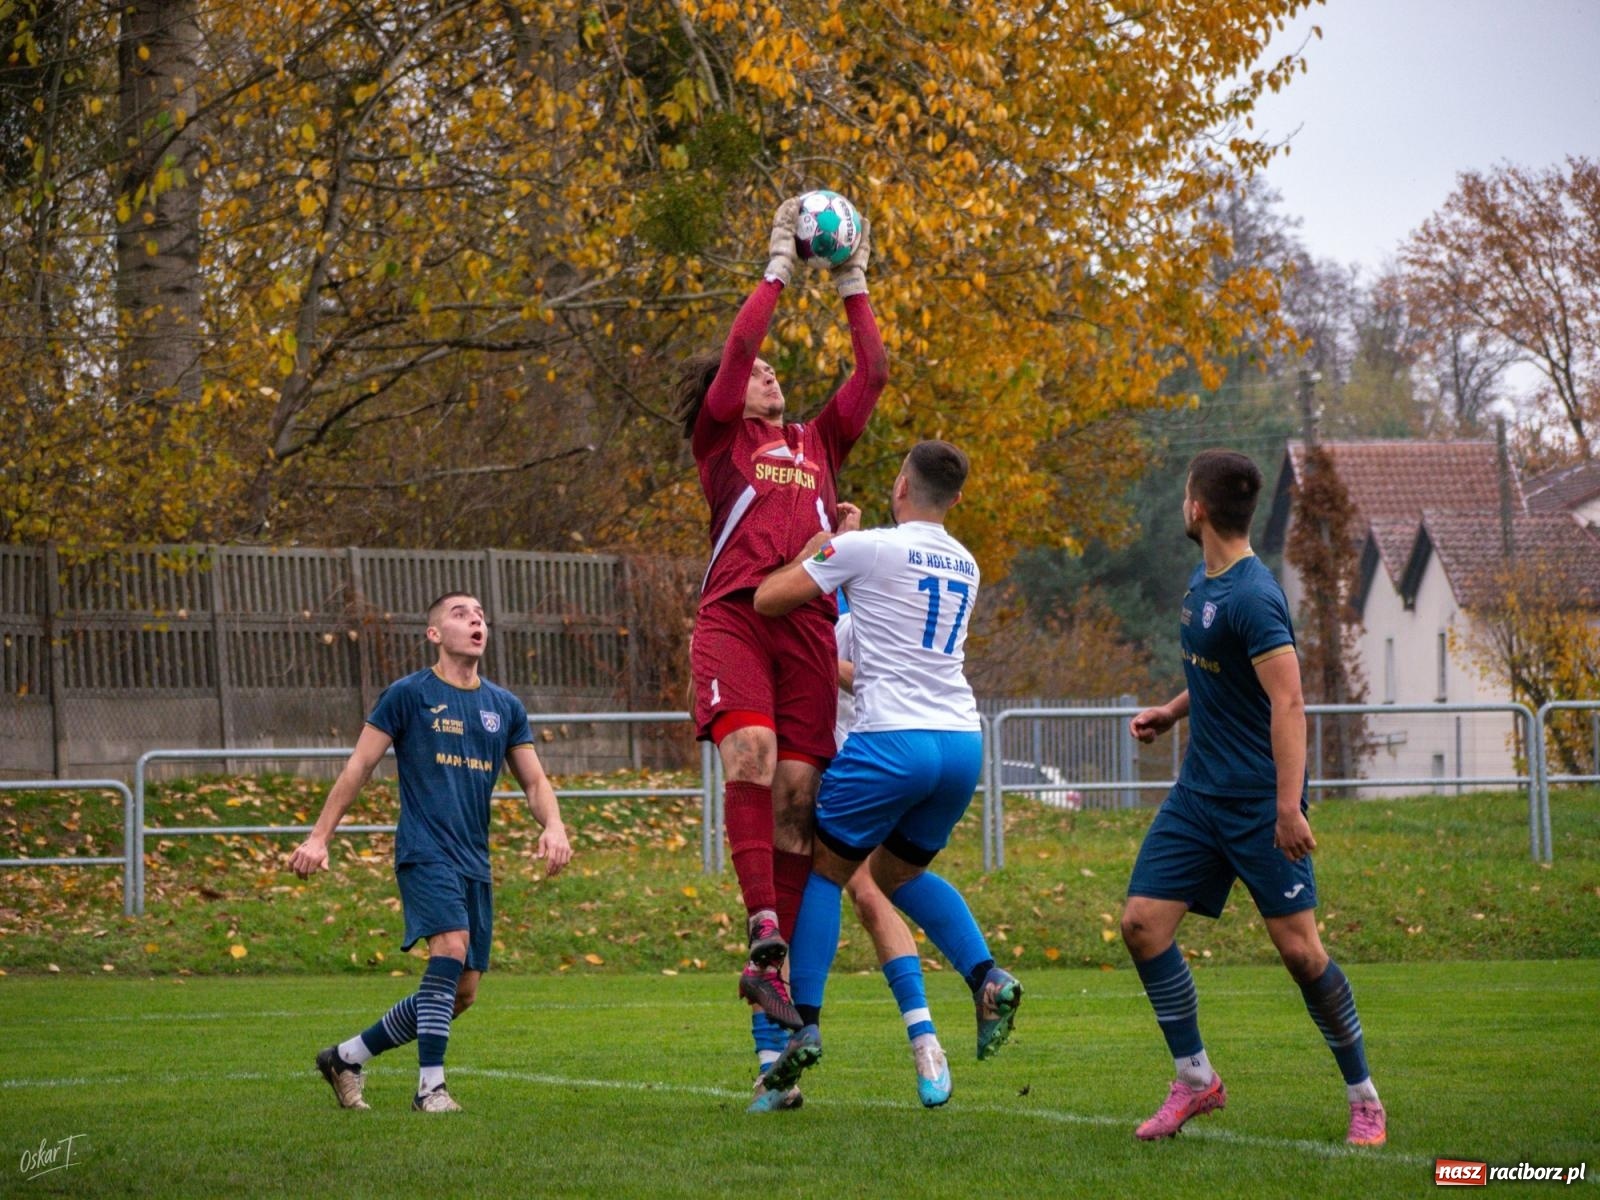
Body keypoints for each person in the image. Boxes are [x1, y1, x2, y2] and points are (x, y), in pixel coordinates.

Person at [1121, 449, 1385, 1146]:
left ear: (1197, 507)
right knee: (1142, 925)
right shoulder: (1202, 584)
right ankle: (1196, 1081)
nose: (1183, 503)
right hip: (1197, 798)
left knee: (1301, 954)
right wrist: (1173, 713)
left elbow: (1288, 701)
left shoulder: (1252, 595)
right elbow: (1218, 673)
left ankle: (1364, 1096)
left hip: (1258, 804)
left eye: (1184, 494)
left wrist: (1288, 807)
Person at [674, 196, 886, 1047]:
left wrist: (852, 279)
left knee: (800, 802)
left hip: (805, 629)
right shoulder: (721, 438)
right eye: (758, 370)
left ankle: (776, 977)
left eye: (770, 371)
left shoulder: (818, 444)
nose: (767, 372)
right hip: (734, 617)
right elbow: (736, 350)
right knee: (753, 755)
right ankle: (762, 926)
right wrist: (778, 263)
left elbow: (871, 375)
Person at [750, 440, 1021, 1102]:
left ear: (901, 484)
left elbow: (768, 598)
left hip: (891, 739)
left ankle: (803, 1027)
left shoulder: (869, 546)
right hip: (960, 742)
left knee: (826, 868)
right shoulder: (967, 562)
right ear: (954, 499)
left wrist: (823, 542)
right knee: (901, 874)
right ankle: (985, 975)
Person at [287, 591, 572, 1113]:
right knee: (450, 945)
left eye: (481, 614)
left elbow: (534, 782)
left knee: (461, 993)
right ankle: (430, 1089)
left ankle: (345, 1057)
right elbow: (359, 766)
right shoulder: (408, 695)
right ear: (435, 634)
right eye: (461, 615)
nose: (476, 621)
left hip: (474, 861)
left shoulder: (504, 706)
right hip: (425, 850)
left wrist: (553, 825)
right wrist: (320, 836)